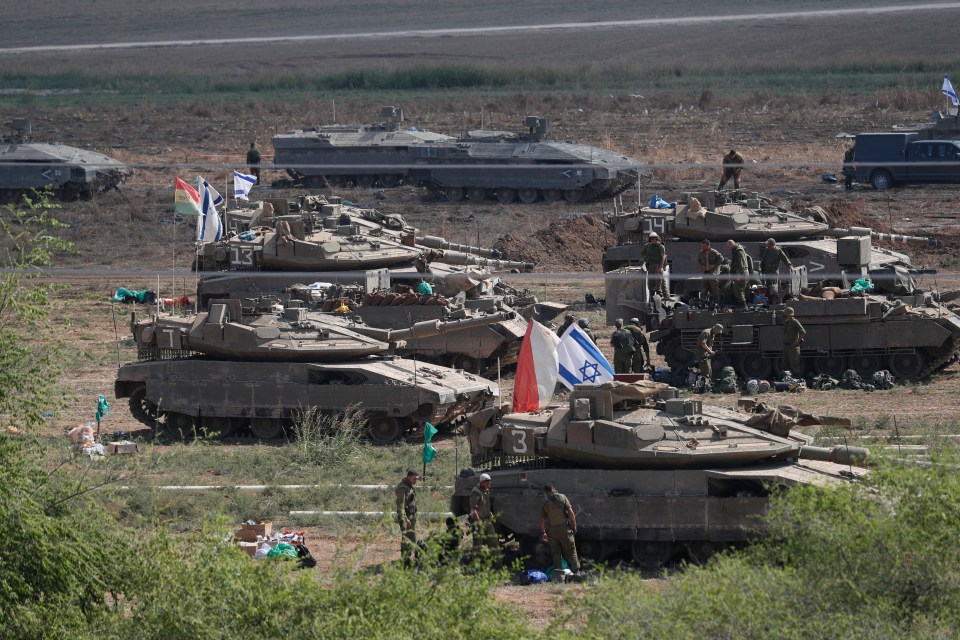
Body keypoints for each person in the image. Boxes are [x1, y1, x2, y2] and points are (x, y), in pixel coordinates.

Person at [539, 483, 580, 578]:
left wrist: (543, 532)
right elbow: (571, 513)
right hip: (564, 528)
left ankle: (559, 574)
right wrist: (574, 526)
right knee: (571, 550)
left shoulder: (545, 502)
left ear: (546, 492)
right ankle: (576, 572)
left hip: (552, 530)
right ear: (554, 489)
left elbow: (542, 520)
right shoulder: (562, 497)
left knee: (555, 552)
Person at [395, 469, 419, 566]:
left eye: (416, 479)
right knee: (406, 538)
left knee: (412, 537)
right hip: (406, 517)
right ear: (408, 477)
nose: (415, 481)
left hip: (411, 516)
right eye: (414, 478)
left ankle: (409, 557)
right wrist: (405, 519)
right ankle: (405, 559)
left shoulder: (409, 486)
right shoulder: (402, 488)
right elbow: (400, 505)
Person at [758, 238, 793, 305]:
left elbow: (785, 258)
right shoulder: (766, 250)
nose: (767, 245)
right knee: (768, 287)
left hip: (774, 273)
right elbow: (763, 261)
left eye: (768, 244)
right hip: (766, 272)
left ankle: (774, 301)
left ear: (772, 244)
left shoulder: (778, 250)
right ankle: (769, 301)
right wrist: (762, 271)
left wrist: (790, 266)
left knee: (774, 287)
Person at [470, 473, 498, 553]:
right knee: (478, 545)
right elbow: (473, 510)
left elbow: (486, 505)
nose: (489, 485)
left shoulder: (486, 491)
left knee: (494, 542)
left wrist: (490, 515)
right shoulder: (476, 492)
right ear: (482, 482)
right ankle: (475, 564)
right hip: (479, 521)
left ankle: (497, 564)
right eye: (487, 483)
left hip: (487, 520)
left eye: (489, 483)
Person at [640, 231, 668, 299]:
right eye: (652, 239)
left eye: (655, 238)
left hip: (657, 265)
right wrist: (645, 258)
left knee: (659, 283)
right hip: (650, 266)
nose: (654, 240)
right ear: (650, 239)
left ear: (657, 238)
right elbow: (643, 253)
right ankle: (651, 297)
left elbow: (663, 257)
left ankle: (660, 297)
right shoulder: (647, 246)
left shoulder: (660, 246)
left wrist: (660, 267)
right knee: (650, 284)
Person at [697, 239, 727, 304]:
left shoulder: (714, 252)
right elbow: (698, 260)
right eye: (701, 246)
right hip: (705, 273)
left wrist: (714, 265)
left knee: (714, 291)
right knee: (704, 290)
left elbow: (721, 259)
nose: (702, 247)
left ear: (708, 245)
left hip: (713, 274)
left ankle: (716, 304)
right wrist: (702, 265)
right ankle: (704, 304)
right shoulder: (701, 253)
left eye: (703, 246)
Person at [782, 307, 806, 376]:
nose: (785, 315)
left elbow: (803, 332)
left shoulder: (795, 322)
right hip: (786, 346)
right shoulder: (787, 322)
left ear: (789, 314)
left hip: (793, 347)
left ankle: (797, 380)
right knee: (785, 364)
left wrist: (797, 341)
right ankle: (786, 380)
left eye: (786, 314)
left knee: (794, 365)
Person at [726, 239, 750, 307]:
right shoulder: (736, 250)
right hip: (740, 273)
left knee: (738, 290)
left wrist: (739, 274)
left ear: (731, 244)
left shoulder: (738, 251)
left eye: (728, 246)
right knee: (740, 290)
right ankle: (743, 305)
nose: (728, 248)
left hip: (741, 273)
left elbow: (742, 264)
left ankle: (743, 306)